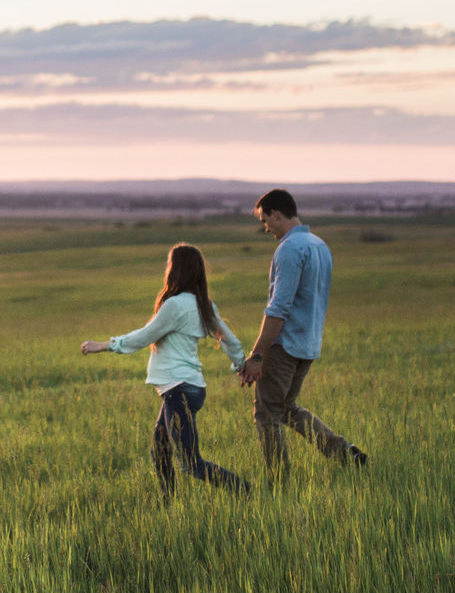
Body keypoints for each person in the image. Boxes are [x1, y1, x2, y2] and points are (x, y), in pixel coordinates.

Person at [81, 243, 252, 499]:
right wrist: (240, 365)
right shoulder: (203, 304)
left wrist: (104, 345)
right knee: (160, 450)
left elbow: (144, 336)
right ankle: (167, 505)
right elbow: (229, 339)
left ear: (176, 270)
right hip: (188, 387)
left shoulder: (174, 306)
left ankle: (245, 492)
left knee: (190, 463)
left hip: (178, 389)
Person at [236, 188, 367, 476]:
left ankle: (280, 483)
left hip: (284, 346)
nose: (265, 228)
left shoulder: (290, 249)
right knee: (286, 408)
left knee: (267, 415)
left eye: (264, 220)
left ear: (276, 213)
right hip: (308, 345)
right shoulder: (319, 245)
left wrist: (257, 355)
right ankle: (344, 452)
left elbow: (278, 309)